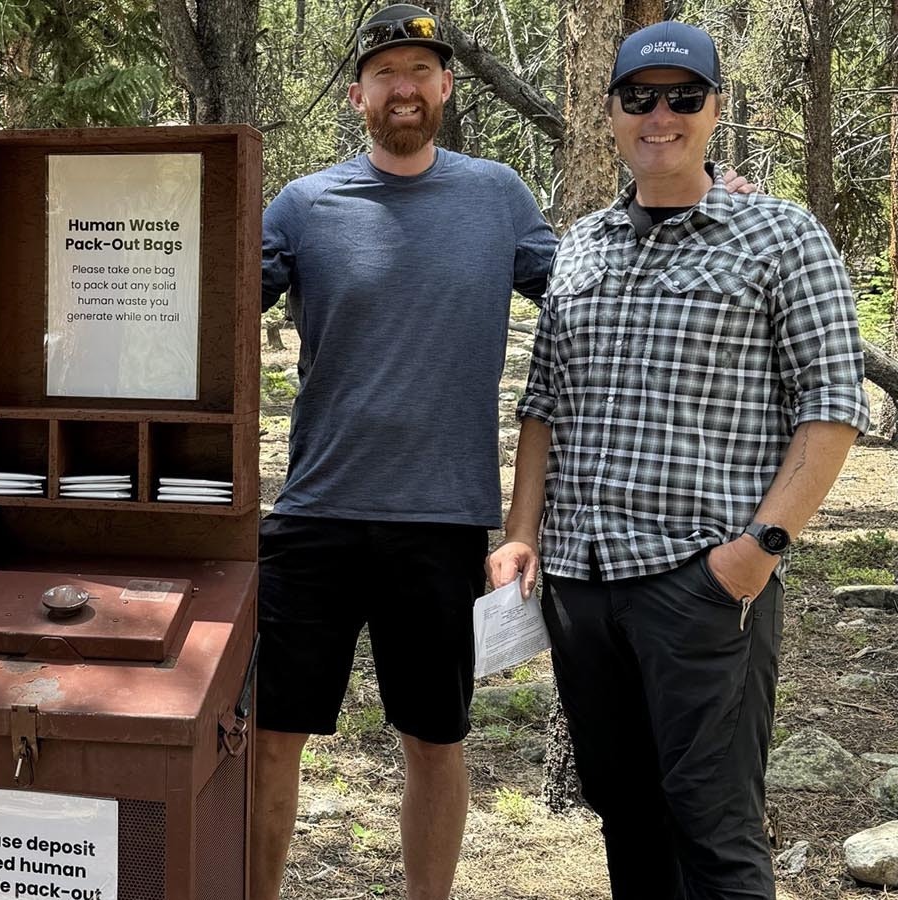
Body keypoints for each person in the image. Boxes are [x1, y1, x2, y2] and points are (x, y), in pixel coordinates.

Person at [487, 21, 869, 899]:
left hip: (701, 587)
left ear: (715, 109)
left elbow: (831, 409)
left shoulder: (782, 238)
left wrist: (753, 556)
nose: (661, 115)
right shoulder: (579, 247)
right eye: (640, 97)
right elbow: (544, 404)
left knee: (716, 829)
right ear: (614, 112)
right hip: (583, 589)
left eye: (683, 96)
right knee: (626, 813)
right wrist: (519, 534)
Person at [253, 7, 555, 899]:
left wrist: (699, 216)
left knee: (435, 739)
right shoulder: (304, 205)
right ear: (358, 95)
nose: (405, 88)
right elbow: (211, 305)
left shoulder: (496, 194)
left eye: (422, 69)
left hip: (443, 518)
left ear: (447, 87)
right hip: (315, 515)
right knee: (273, 737)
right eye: (386, 72)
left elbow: (583, 291)